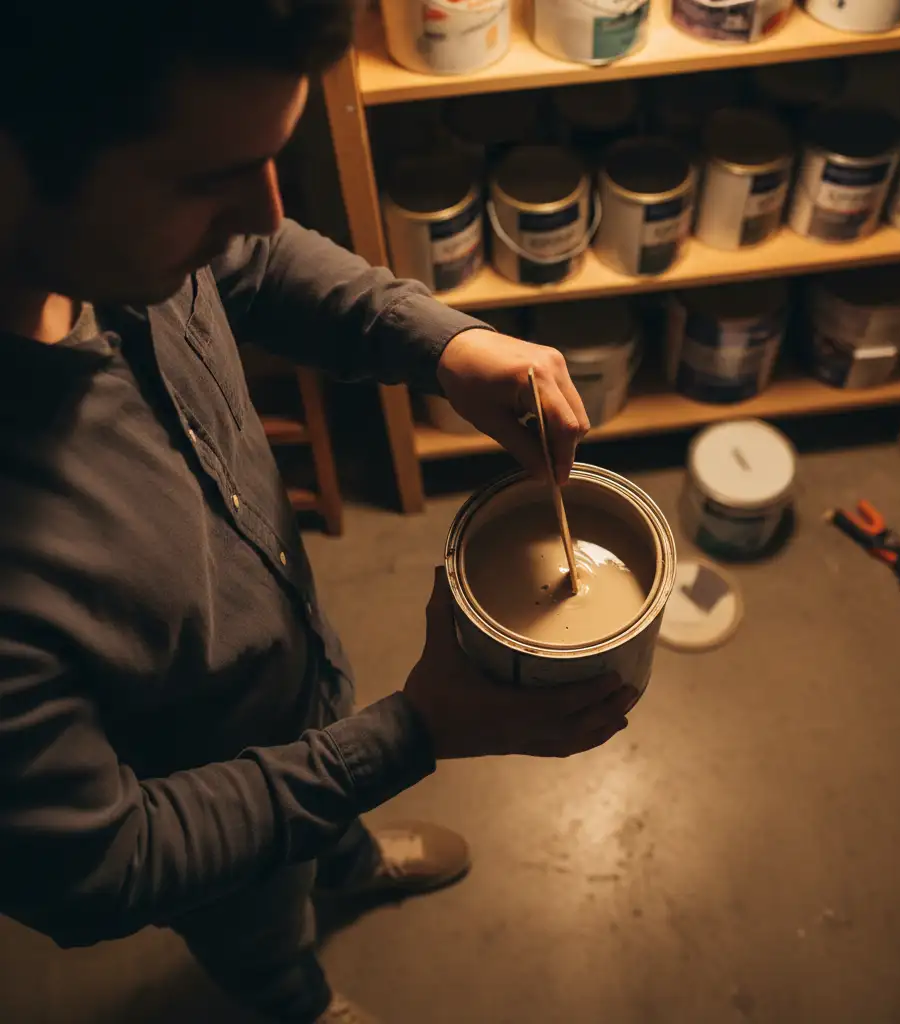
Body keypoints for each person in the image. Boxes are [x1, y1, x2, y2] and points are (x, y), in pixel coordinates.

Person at [0, 3, 637, 1023]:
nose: (261, 211)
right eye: (210, 180)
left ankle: (344, 852)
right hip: (206, 828)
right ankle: (293, 997)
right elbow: (106, 865)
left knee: (323, 756)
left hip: (290, 676)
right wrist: (415, 732)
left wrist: (439, 344)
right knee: (260, 925)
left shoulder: (117, 241)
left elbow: (251, 262)